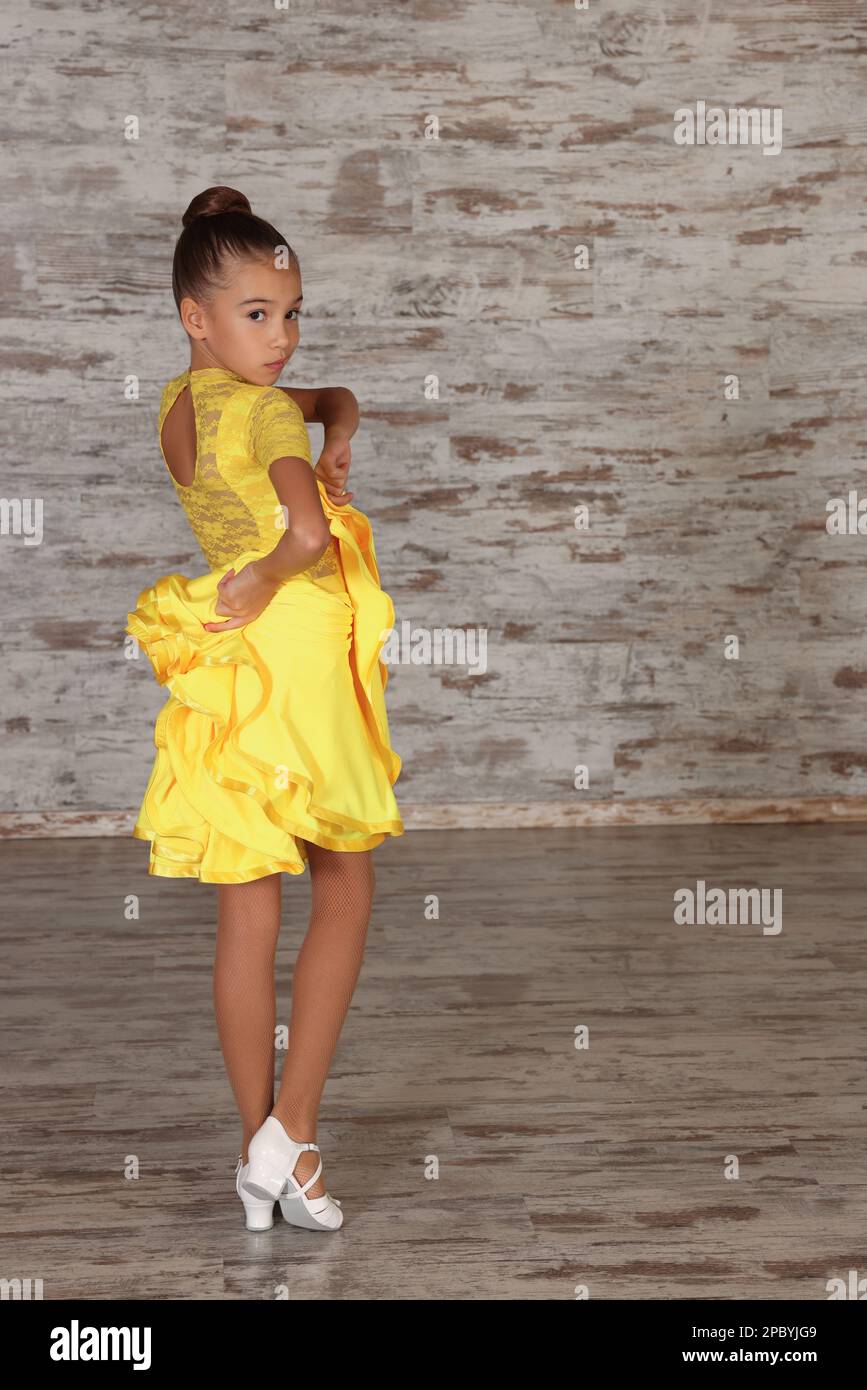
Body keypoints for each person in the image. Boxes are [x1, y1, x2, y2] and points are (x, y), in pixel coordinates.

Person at [125, 185, 404, 1232]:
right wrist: (276, 564)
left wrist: (343, 423)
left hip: (234, 666)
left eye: (291, 314)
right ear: (198, 317)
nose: (281, 337)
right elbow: (298, 531)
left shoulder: (179, 406)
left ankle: (261, 1156)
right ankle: (297, 1131)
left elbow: (318, 401)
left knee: (248, 907)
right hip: (298, 652)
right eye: (256, 315)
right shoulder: (268, 410)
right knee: (347, 886)